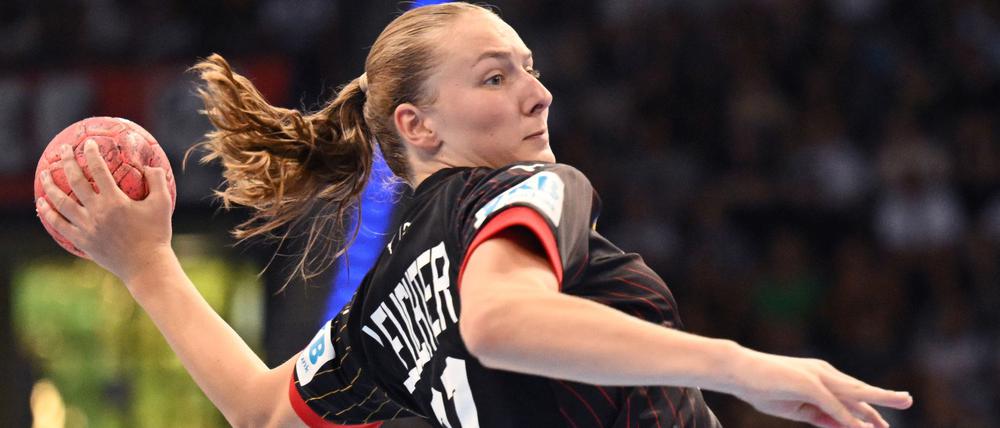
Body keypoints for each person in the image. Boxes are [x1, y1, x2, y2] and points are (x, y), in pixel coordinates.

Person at [35, 3, 913, 427]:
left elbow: (265, 413)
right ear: (418, 126)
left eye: (530, 68)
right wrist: (743, 367)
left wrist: (144, 264)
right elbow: (502, 322)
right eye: (496, 76)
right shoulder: (519, 188)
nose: (538, 93)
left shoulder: (381, 306)